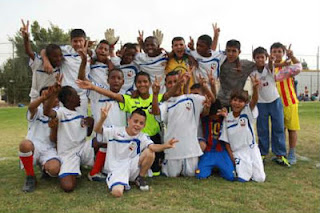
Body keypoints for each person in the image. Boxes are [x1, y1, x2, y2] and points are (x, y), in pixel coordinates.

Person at [76, 71, 181, 176]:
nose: (142, 84)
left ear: (150, 83)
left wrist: (180, 82)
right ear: (135, 85)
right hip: (136, 138)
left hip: (154, 137)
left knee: (155, 171)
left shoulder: (157, 97)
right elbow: (112, 95)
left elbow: (169, 94)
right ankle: (130, 174)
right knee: (134, 162)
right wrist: (93, 87)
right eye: (139, 82)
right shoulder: (130, 99)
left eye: (145, 82)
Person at [94, 107, 178, 197]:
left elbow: (153, 147)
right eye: (135, 121)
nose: (137, 125)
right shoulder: (115, 131)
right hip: (117, 169)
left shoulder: (142, 136)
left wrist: (165, 146)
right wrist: (102, 118)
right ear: (129, 120)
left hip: (132, 166)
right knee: (117, 193)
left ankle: (140, 178)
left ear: (144, 125)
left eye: (141, 123)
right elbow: (97, 130)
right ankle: (120, 181)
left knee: (150, 152)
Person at [152, 71, 213, 177]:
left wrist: (206, 87)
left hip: (191, 151)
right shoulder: (166, 103)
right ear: (165, 85)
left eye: (176, 81)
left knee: (190, 174)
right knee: (171, 175)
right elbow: (156, 112)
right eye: (170, 83)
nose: (173, 84)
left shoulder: (192, 98)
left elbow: (209, 102)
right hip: (173, 151)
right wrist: (155, 94)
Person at [44, 82, 95, 192]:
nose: (79, 97)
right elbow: (47, 112)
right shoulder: (62, 112)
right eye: (76, 94)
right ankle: (70, 169)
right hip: (68, 154)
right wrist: (54, 94)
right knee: (68, 187)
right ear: (69, 98)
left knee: (100, 141)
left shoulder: (80, 114)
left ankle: (98, 171)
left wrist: (91, 123)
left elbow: (88, 134)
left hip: (82, 149)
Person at [220, 75, 266, 182]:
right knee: (242, 178)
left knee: (260, 178)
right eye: (235, 100)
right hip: (238, 152)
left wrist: (255, 88)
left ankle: (252, 168)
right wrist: (232, 158)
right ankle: (243, 169)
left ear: (245, 103)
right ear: (230, 101)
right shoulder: (227, 118)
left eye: (240, 101)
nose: (237, 103)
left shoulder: (247, 112)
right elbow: (226, 142)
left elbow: (254, 101)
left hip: (251, 149)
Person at [19, 87, 61, 192]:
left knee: (54, 170)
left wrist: (53, 128)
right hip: (34, 146)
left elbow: (54, 139)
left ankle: (45, 169)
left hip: (49, 149)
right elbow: (31, 107)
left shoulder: (61, 113)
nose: (50, 99)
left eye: (53, 96)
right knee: (24, 144)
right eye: (47, 97)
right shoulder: (38, 111)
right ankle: (30, 177)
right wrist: (43, 98)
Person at [251, 47, 288, 166]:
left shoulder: (269, 67)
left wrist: (271, 60)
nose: (260, 59)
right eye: (258, 57)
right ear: (254, 59)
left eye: (262, 57)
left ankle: (280, 154)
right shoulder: (252, 71)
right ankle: (262, 153)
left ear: (266, 58)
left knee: (278, 127)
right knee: (262, 129)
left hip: (274, 101)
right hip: (261, 103)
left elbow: (272, 64)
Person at [43, 29, 92, 115]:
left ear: (85, 41)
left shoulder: (90, 54)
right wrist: (46, 61)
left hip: (81, 96)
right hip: (65, 95)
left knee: (80, 123)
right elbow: (44, 50)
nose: (78, 44)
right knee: (64, 123)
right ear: (70, 41)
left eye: (80, 41)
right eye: (75, 41)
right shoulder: (65, 51)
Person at [271, 42, 301, 164]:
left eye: (279, 51)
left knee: (292, 128)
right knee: (279, 129)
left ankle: (292, 153)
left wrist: (292, 56)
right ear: (270, 53)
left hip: (289, 102)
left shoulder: (288, 65)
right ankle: (280, 153)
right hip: (274, 103)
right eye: (274, 51)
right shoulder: (270, 67)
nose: (277, 54)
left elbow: (299, 67)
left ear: (283, 53)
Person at [20, 19, 62, 102]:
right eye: (55, 57)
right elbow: (28, 51)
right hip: (36, 99)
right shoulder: (38, 62)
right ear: (48, 56)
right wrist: (26, 38)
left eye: (60, 56)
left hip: (51, 101)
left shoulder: (61, 64)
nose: (59, 58)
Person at [217, 40, 256, 109]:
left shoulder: (245, 65)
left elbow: (261, 65)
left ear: (239, 52)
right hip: (221, 100)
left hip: (237, 102)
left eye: (234, 51)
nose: (230, 54)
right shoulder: (220, 63)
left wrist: (279, 63)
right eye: (228, 51)